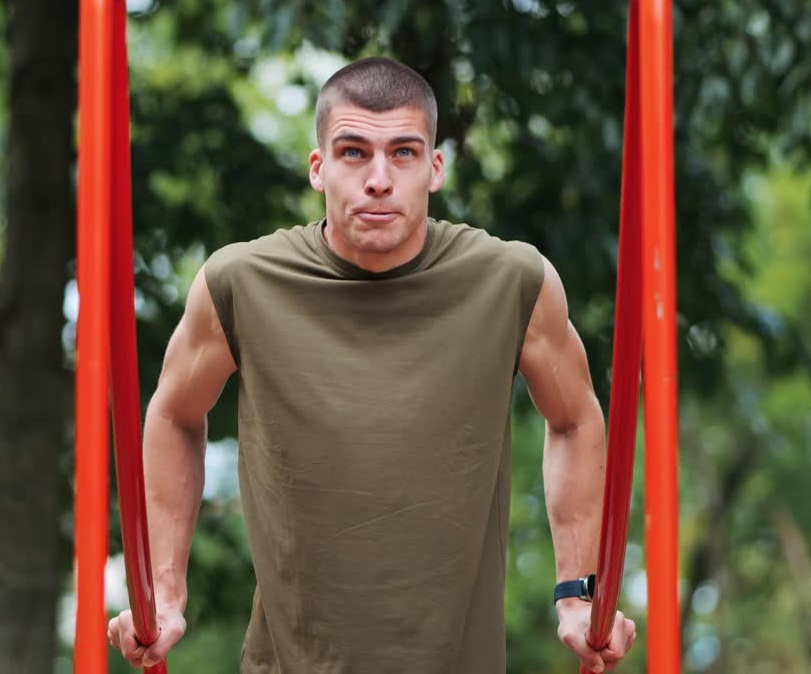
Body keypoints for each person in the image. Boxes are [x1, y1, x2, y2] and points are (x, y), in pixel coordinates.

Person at [108, 57, 637, 673]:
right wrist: (164, 592)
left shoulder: (511, 281)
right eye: (354, 152)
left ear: (435, 168)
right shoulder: (240, 283)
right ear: (319, 167)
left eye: (404, 153)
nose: (379, 179)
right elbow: (173, 413)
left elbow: (575, 419)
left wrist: (578, 592)